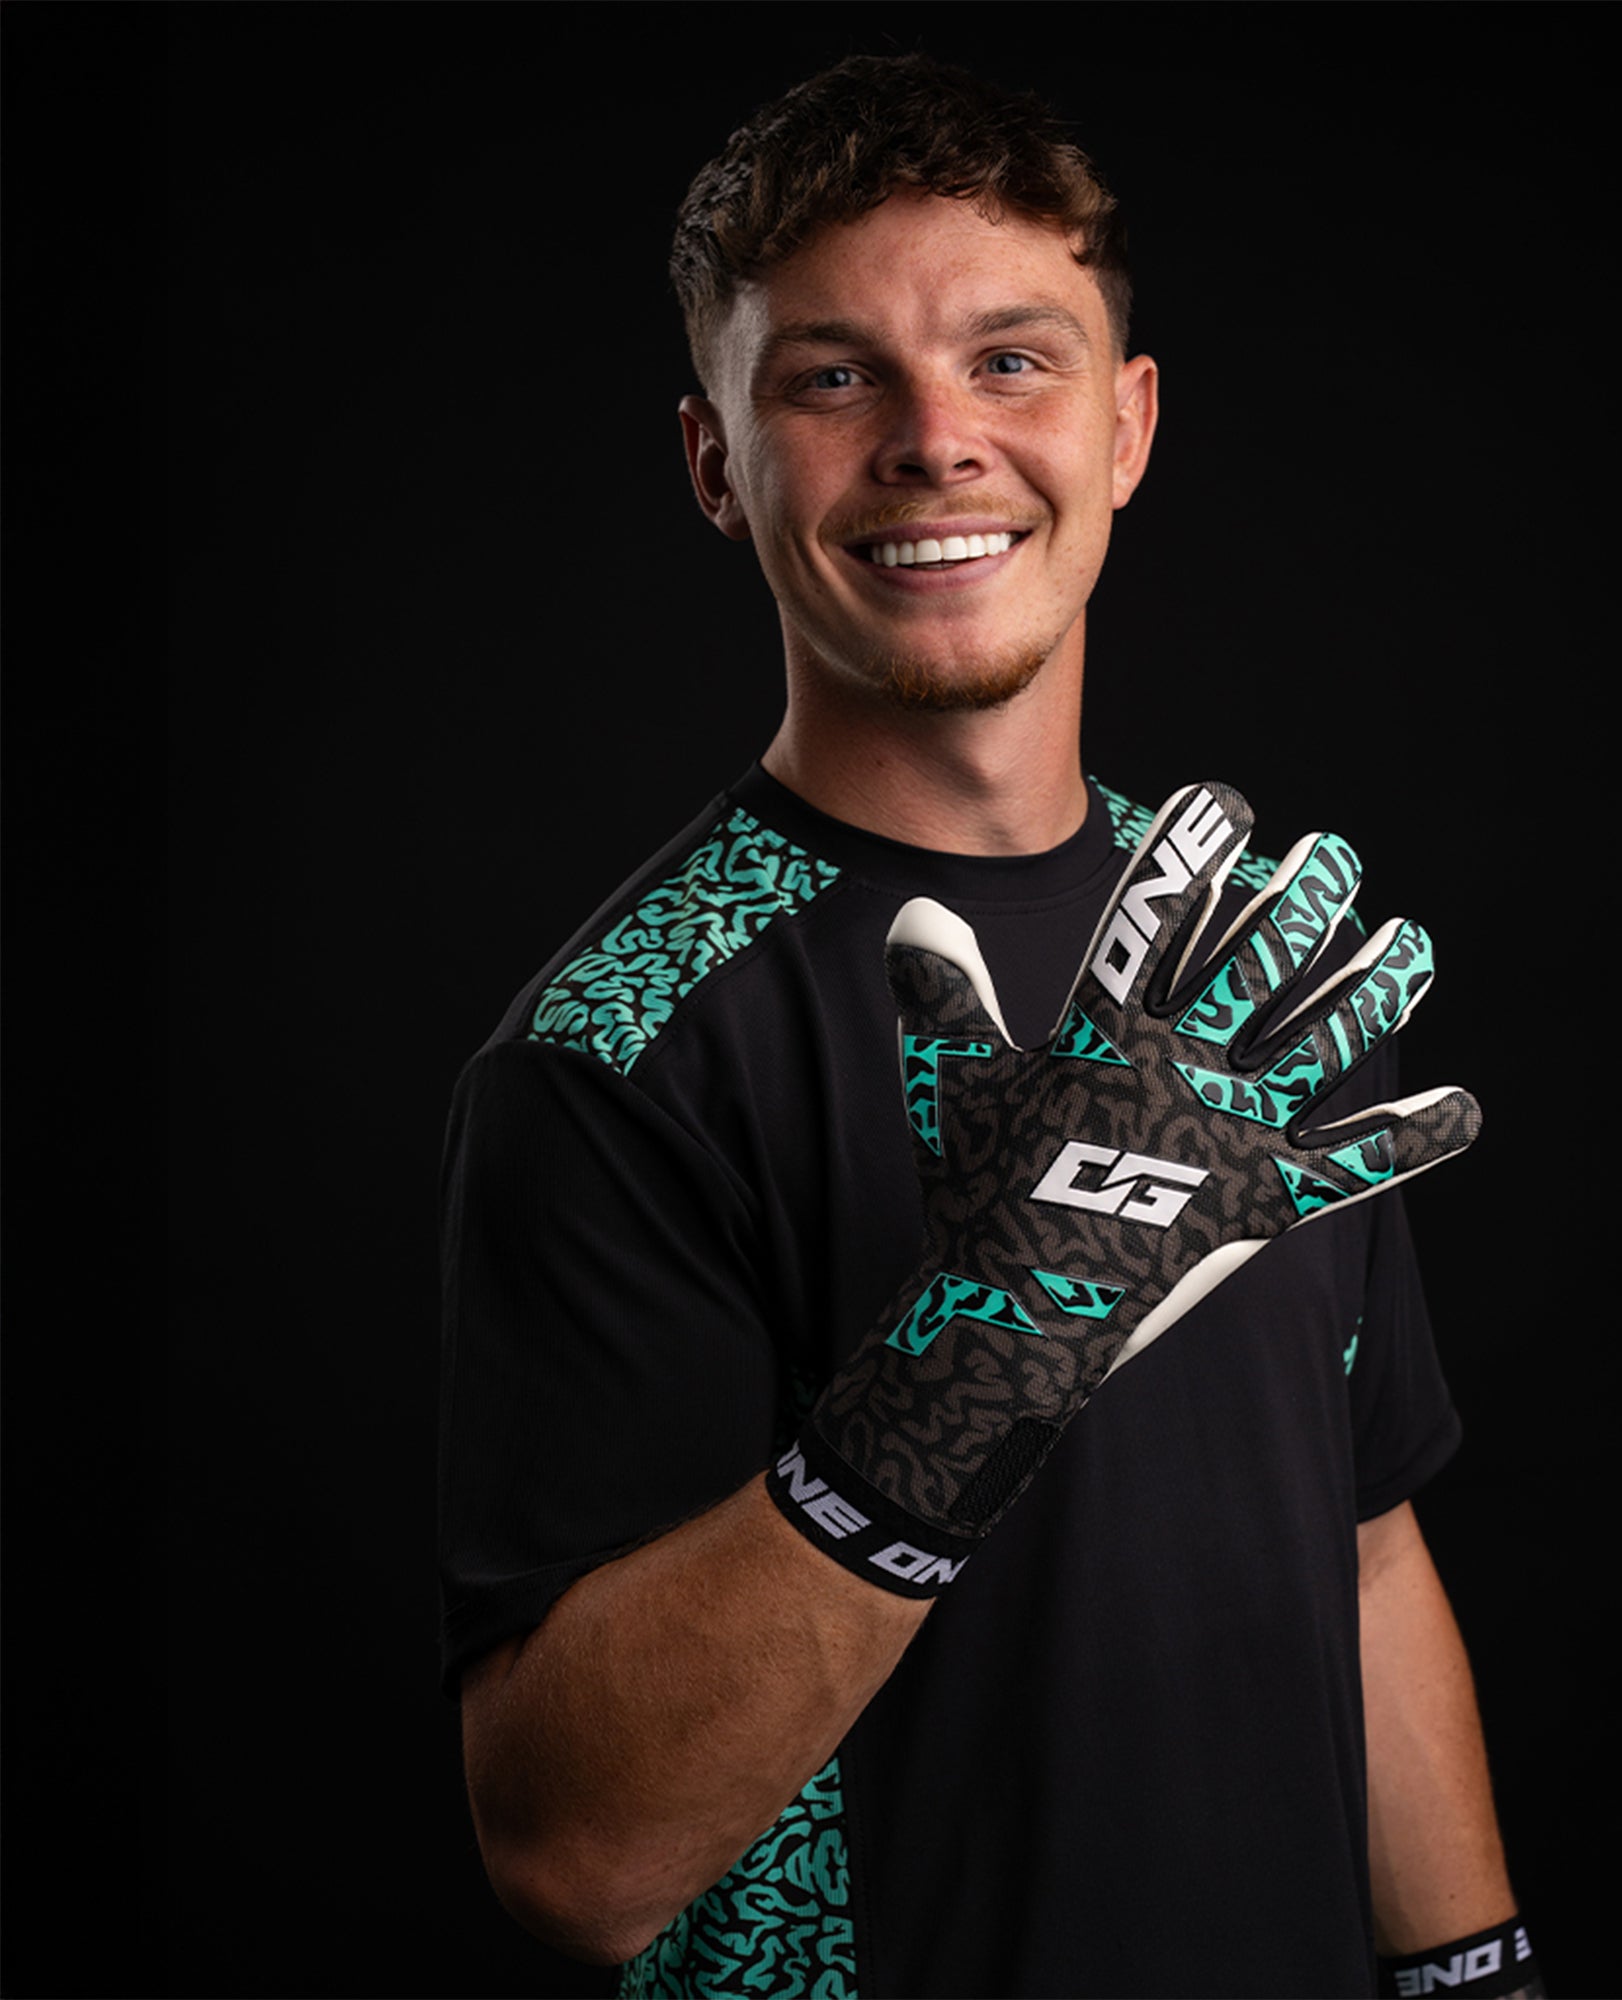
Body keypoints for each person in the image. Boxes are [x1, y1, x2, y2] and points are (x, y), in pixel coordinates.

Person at [439, 53, 1542, 2000]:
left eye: (1012, 362)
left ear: (1126, 427)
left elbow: (1360, 1543)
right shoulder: (621, 1050)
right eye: (831, 377)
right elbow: (577, 1859)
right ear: (716, 464)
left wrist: (1478, 1979)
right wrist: (975, 1366)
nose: (937, 442)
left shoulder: (1245, 971)